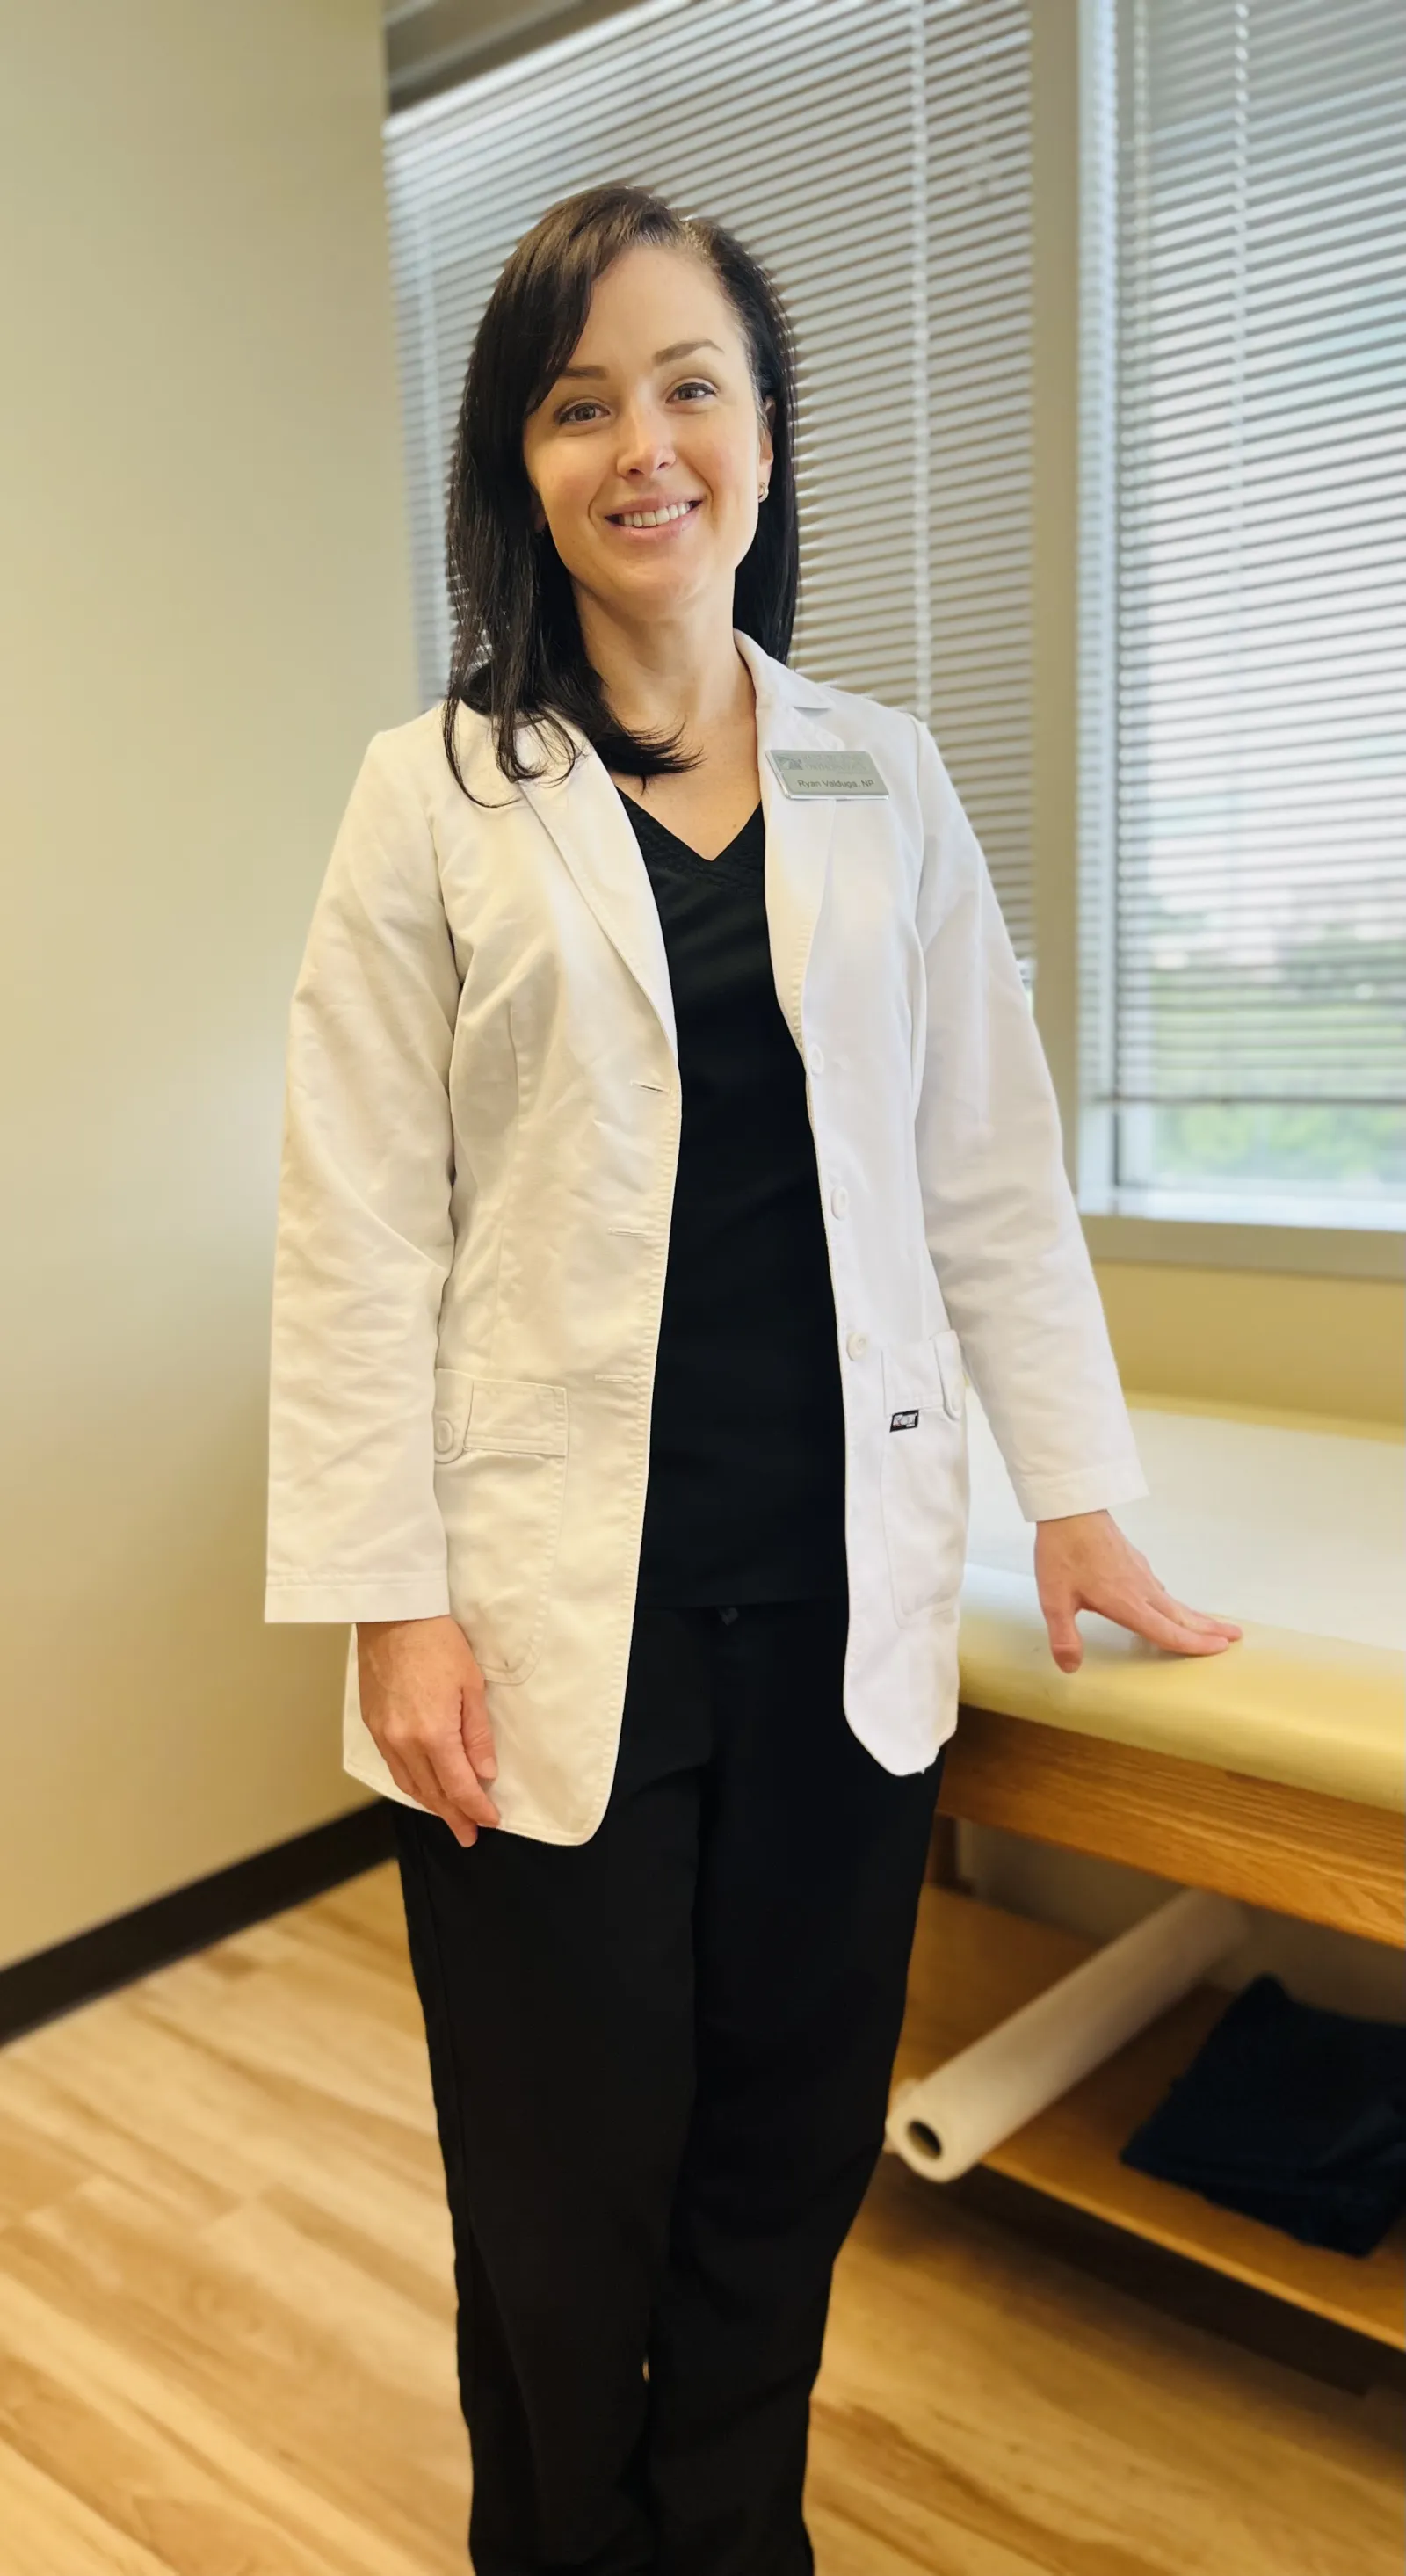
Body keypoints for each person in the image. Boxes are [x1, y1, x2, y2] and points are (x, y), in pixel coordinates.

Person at [265, 183, 1241, 2576]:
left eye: (689, 384)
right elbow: (357, 1223)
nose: (644, 444)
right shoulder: (437, 796)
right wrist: (394, 1599)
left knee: (781, 2159)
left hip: (832, 1619)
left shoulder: (888, 786)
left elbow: (991, 1174)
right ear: (522, 463)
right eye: (580, 402)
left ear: (769, 438)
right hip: (542, 1620)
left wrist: (1078, 1499)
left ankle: (731, 2539)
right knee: (559, 2187)